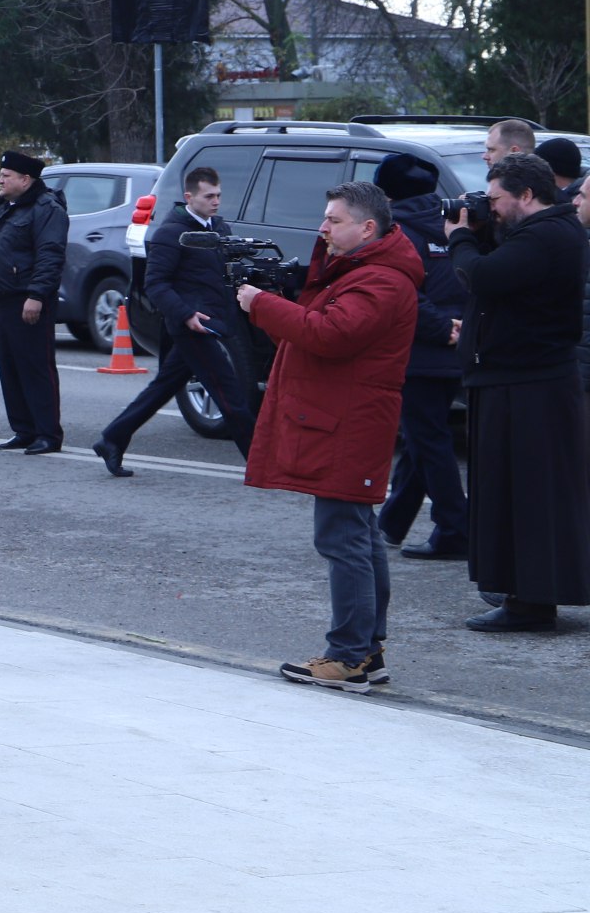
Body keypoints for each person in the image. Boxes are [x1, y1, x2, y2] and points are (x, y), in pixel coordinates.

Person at [239, 180, 421, 692]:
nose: (322, 229)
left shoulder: (380, 280)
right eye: (324, 219)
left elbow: (329, 336)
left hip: (350, 421)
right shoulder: (358, 270)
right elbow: (307, 334)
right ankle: (366, 651)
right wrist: (271, 306)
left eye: (333, 221)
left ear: (368, 228)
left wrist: (261, 304)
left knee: (343, 538)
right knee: (358, 535)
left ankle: (348, 656)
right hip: (345, 417)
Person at [447, 153, 590, 632]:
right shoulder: (549, 231)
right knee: (523, 492)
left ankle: (530, 602)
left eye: (497, 199)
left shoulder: (548, 234)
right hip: (523, 380)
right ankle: (525, 593)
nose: (492, 208)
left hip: (528, 385)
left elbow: (484, 277)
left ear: (526, 195)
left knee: (526, 494)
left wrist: (460, 237)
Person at [93, 166, 254, 474]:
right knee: (231, 394)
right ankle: (261, 465)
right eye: (209, 196)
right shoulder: (172, 232)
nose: (215, 201)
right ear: (189, 197)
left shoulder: (219, 228)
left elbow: (226, 272)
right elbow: (155, 283)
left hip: (215, 322)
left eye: (218, 195)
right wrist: (186, 315)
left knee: (162, 388)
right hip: (192, 328)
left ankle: (112, 439)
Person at [374, 154, 469, 559]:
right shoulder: (453, 224)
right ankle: (392, 523)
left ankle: (456, 531)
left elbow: (404, 295)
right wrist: (459, 326)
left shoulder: (396, 233)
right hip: (458, 349)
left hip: (421, 352)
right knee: (422, 438)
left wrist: (441, 327)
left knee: (428, 442)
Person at [0, 150, 68, 453]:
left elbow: (50, 256)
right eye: (1, 175)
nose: (0, 179)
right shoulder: (2, 208)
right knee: (10, 368)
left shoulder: (46, 208)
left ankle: (48, 434)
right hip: (2, 301)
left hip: (27, 300)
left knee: (35, 367)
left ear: (25, 180)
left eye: (6, 175)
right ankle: (24, 429)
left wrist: (36, 295)